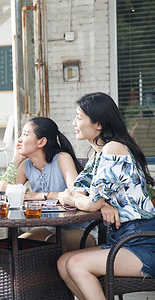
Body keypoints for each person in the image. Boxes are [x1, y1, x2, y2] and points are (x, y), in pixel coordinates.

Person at [57, 92, 155, 300]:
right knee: (63, 263)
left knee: (75, 264)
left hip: (142, 240)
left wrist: (80, 200)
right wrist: (101, 204)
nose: (74, 123)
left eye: (79, 117)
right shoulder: (98, 155)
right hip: (122, 238)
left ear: (98, 124)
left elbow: (86, 200)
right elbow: (79, 189)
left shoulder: (114, 148)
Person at [0, 117, 95, 251]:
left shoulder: (62, 158)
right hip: (49, 227)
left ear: (41, 142)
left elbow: (75, 193)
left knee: (52, 244)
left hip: (80, 227)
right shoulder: (26, 165)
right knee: (18, 245)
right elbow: (0, 195)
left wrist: (35, 196)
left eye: (25, 134)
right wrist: (15, 160)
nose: (19, 139)